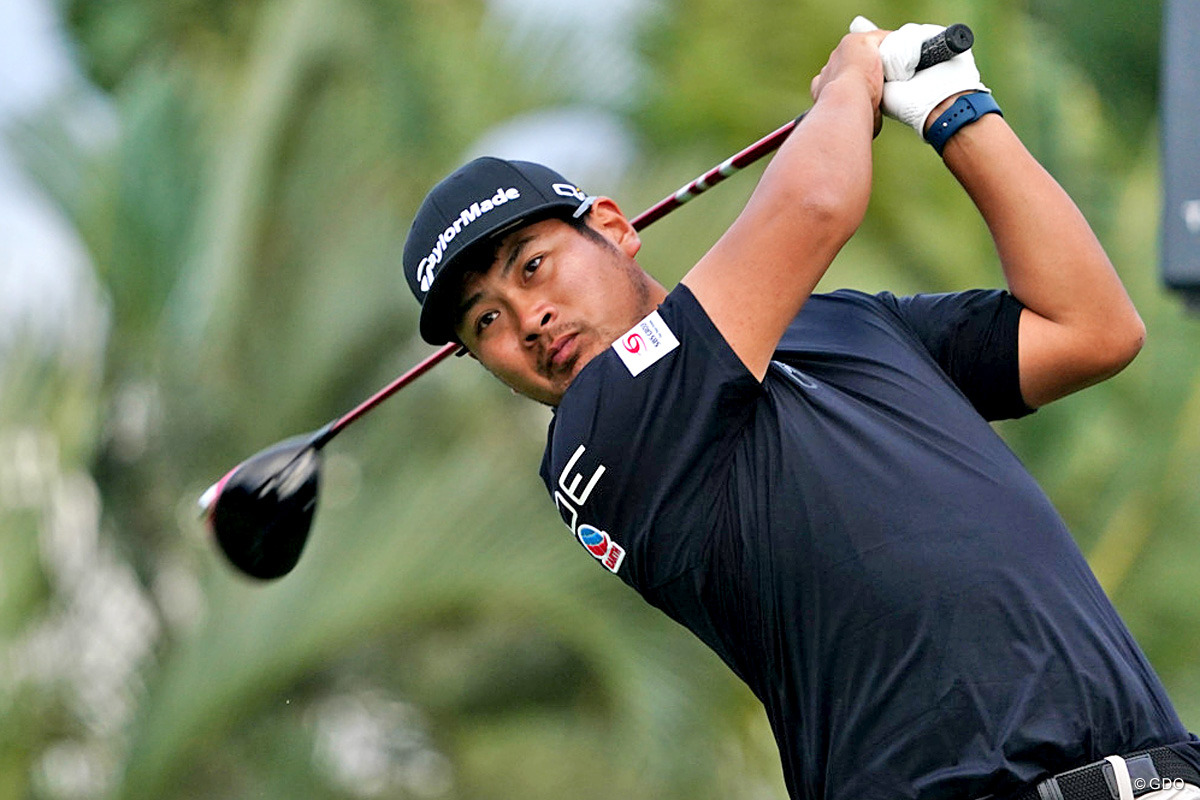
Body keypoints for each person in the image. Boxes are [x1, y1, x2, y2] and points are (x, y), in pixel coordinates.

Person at [401, 19, 1200, 800]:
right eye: (486, 321)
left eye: (533, 267)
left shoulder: (840, 324)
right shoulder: (601, 442)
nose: (529, 320)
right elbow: (816, 201)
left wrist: (954, 109)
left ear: (613, 227)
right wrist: (851, 78)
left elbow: (1091, 329)